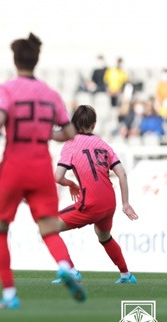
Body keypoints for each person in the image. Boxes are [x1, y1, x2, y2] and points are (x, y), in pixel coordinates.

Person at [0, 33, 87, 310]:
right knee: (48, 227)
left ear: (15, 60)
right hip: (41, 166)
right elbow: (69, 132)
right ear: (36, 60)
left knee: (0, 229)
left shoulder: (7, 89)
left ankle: (10, 295)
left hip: (14, 164)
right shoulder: (51, 94)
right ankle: (64, 266)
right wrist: (48, 132)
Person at [51, 105, 139, 285]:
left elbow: (58, 177)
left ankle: (71, 272)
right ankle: (126, 275)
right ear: (94, 124)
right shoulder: (103, 144)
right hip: (109, 203)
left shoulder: (71, 143)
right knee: (104, 235)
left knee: (48, 226)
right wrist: (126, 203)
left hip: (90, 203)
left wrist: (71, 184)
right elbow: (122, 173)